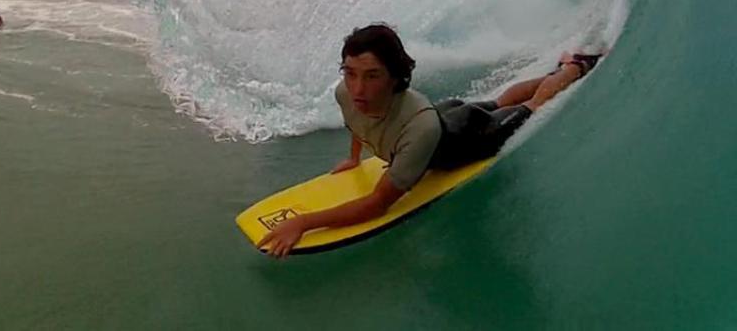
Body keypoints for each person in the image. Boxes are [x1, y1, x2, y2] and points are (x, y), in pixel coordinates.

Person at [258, 24, 603, 258]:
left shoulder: (417, 129)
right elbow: (357, 120)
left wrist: (304, 221)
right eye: (350, 73)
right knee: (499, 101)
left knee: (529, 106)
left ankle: (575, 67)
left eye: (372, 76)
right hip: (445, 115)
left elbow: (379, 203)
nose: (357, 88)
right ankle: (554, 71)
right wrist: (353, 157)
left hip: (465, 139)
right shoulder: (345, 94)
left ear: (395, 78)